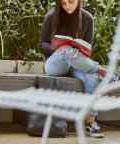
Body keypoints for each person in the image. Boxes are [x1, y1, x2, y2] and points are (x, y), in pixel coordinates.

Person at [39, 0, 105, 138]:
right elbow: (41, 44)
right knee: (65, 50)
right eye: (63, 3)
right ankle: (100, 69)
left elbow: (88, 49)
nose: (67, 6)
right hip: (55, 64)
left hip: (77, 63)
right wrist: (58, 48)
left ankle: (90, 122)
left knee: (92, 78)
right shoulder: (51, 15)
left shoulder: (87, 19)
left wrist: (77, 49)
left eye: (71, 2)